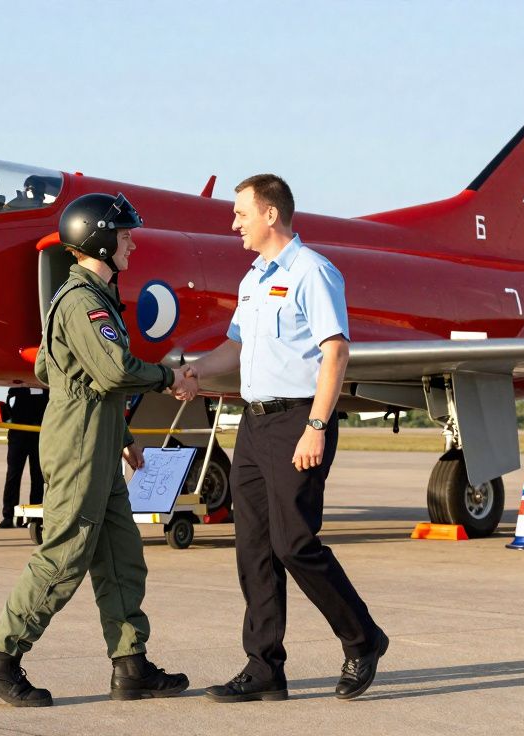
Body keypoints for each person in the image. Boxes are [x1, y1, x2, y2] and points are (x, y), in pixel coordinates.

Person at [0, 192, 197, 707]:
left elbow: (74, 376)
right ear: (98, 239)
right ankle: (0, 661)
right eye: (124, 236)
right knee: (65, 556)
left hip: (99, 441)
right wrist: (169, 378)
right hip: (79, 448)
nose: (132, 244)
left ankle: (130, 665)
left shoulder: (93, 298)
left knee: (121, 557)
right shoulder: (82, 302)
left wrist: (125, 437)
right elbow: (114, 370)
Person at [182, 174, 388, 702]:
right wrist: (195, 373)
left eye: (241, 214)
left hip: (298, 420)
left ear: (270, 214)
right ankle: (264, 668)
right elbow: (235, 347)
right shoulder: (252, 278)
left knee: (294, 543)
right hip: (253, 422)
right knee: (252, 547)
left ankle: (363, 639)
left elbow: (335, 353)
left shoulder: (312, 272)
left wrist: (316, 426)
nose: (235, 224)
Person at [0, 387, 49, 528]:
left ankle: (35, 517)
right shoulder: (19, 385)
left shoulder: (46, 385)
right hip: (18, 434)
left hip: (39, 434)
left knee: (38, 476)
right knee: (13, 476)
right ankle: (8, 515)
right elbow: (10, 395)